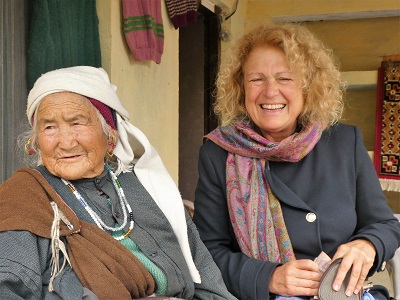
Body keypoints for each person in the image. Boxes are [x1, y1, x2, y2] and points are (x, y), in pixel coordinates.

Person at [192, 23, 400, 300]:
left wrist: (366, 245)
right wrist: (269, 276)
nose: (270, 92)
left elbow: (385, 225)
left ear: (308, 86)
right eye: (256, 79)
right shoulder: (218, 154)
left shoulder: (343, 142)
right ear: (241, 89)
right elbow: (206, 252)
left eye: (285, 78)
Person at [0, 66, 237, 300]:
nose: (65, 142)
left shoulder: (150, 188)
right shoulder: (23, 199)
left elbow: (211, 286)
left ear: (110, 134)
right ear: (36, 141)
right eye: (49, 127)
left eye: (77, 123)